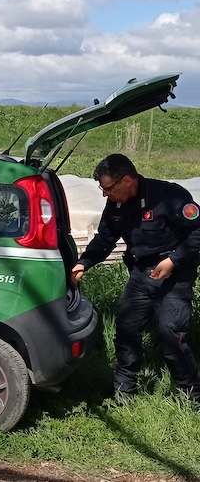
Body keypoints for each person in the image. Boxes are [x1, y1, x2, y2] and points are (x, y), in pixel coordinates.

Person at [71, 154, 200, 404]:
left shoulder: (169, 197)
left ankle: (191, 394)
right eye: (101, 188)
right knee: (127, 329)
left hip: (175, 275)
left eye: (107, 188)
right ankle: (124, 391)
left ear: (127, 180)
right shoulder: (117, 205)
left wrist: (173, 260)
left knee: (171, 332)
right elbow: (105, 238)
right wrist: (83, 262)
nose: (104, 194)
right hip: (141, 275)